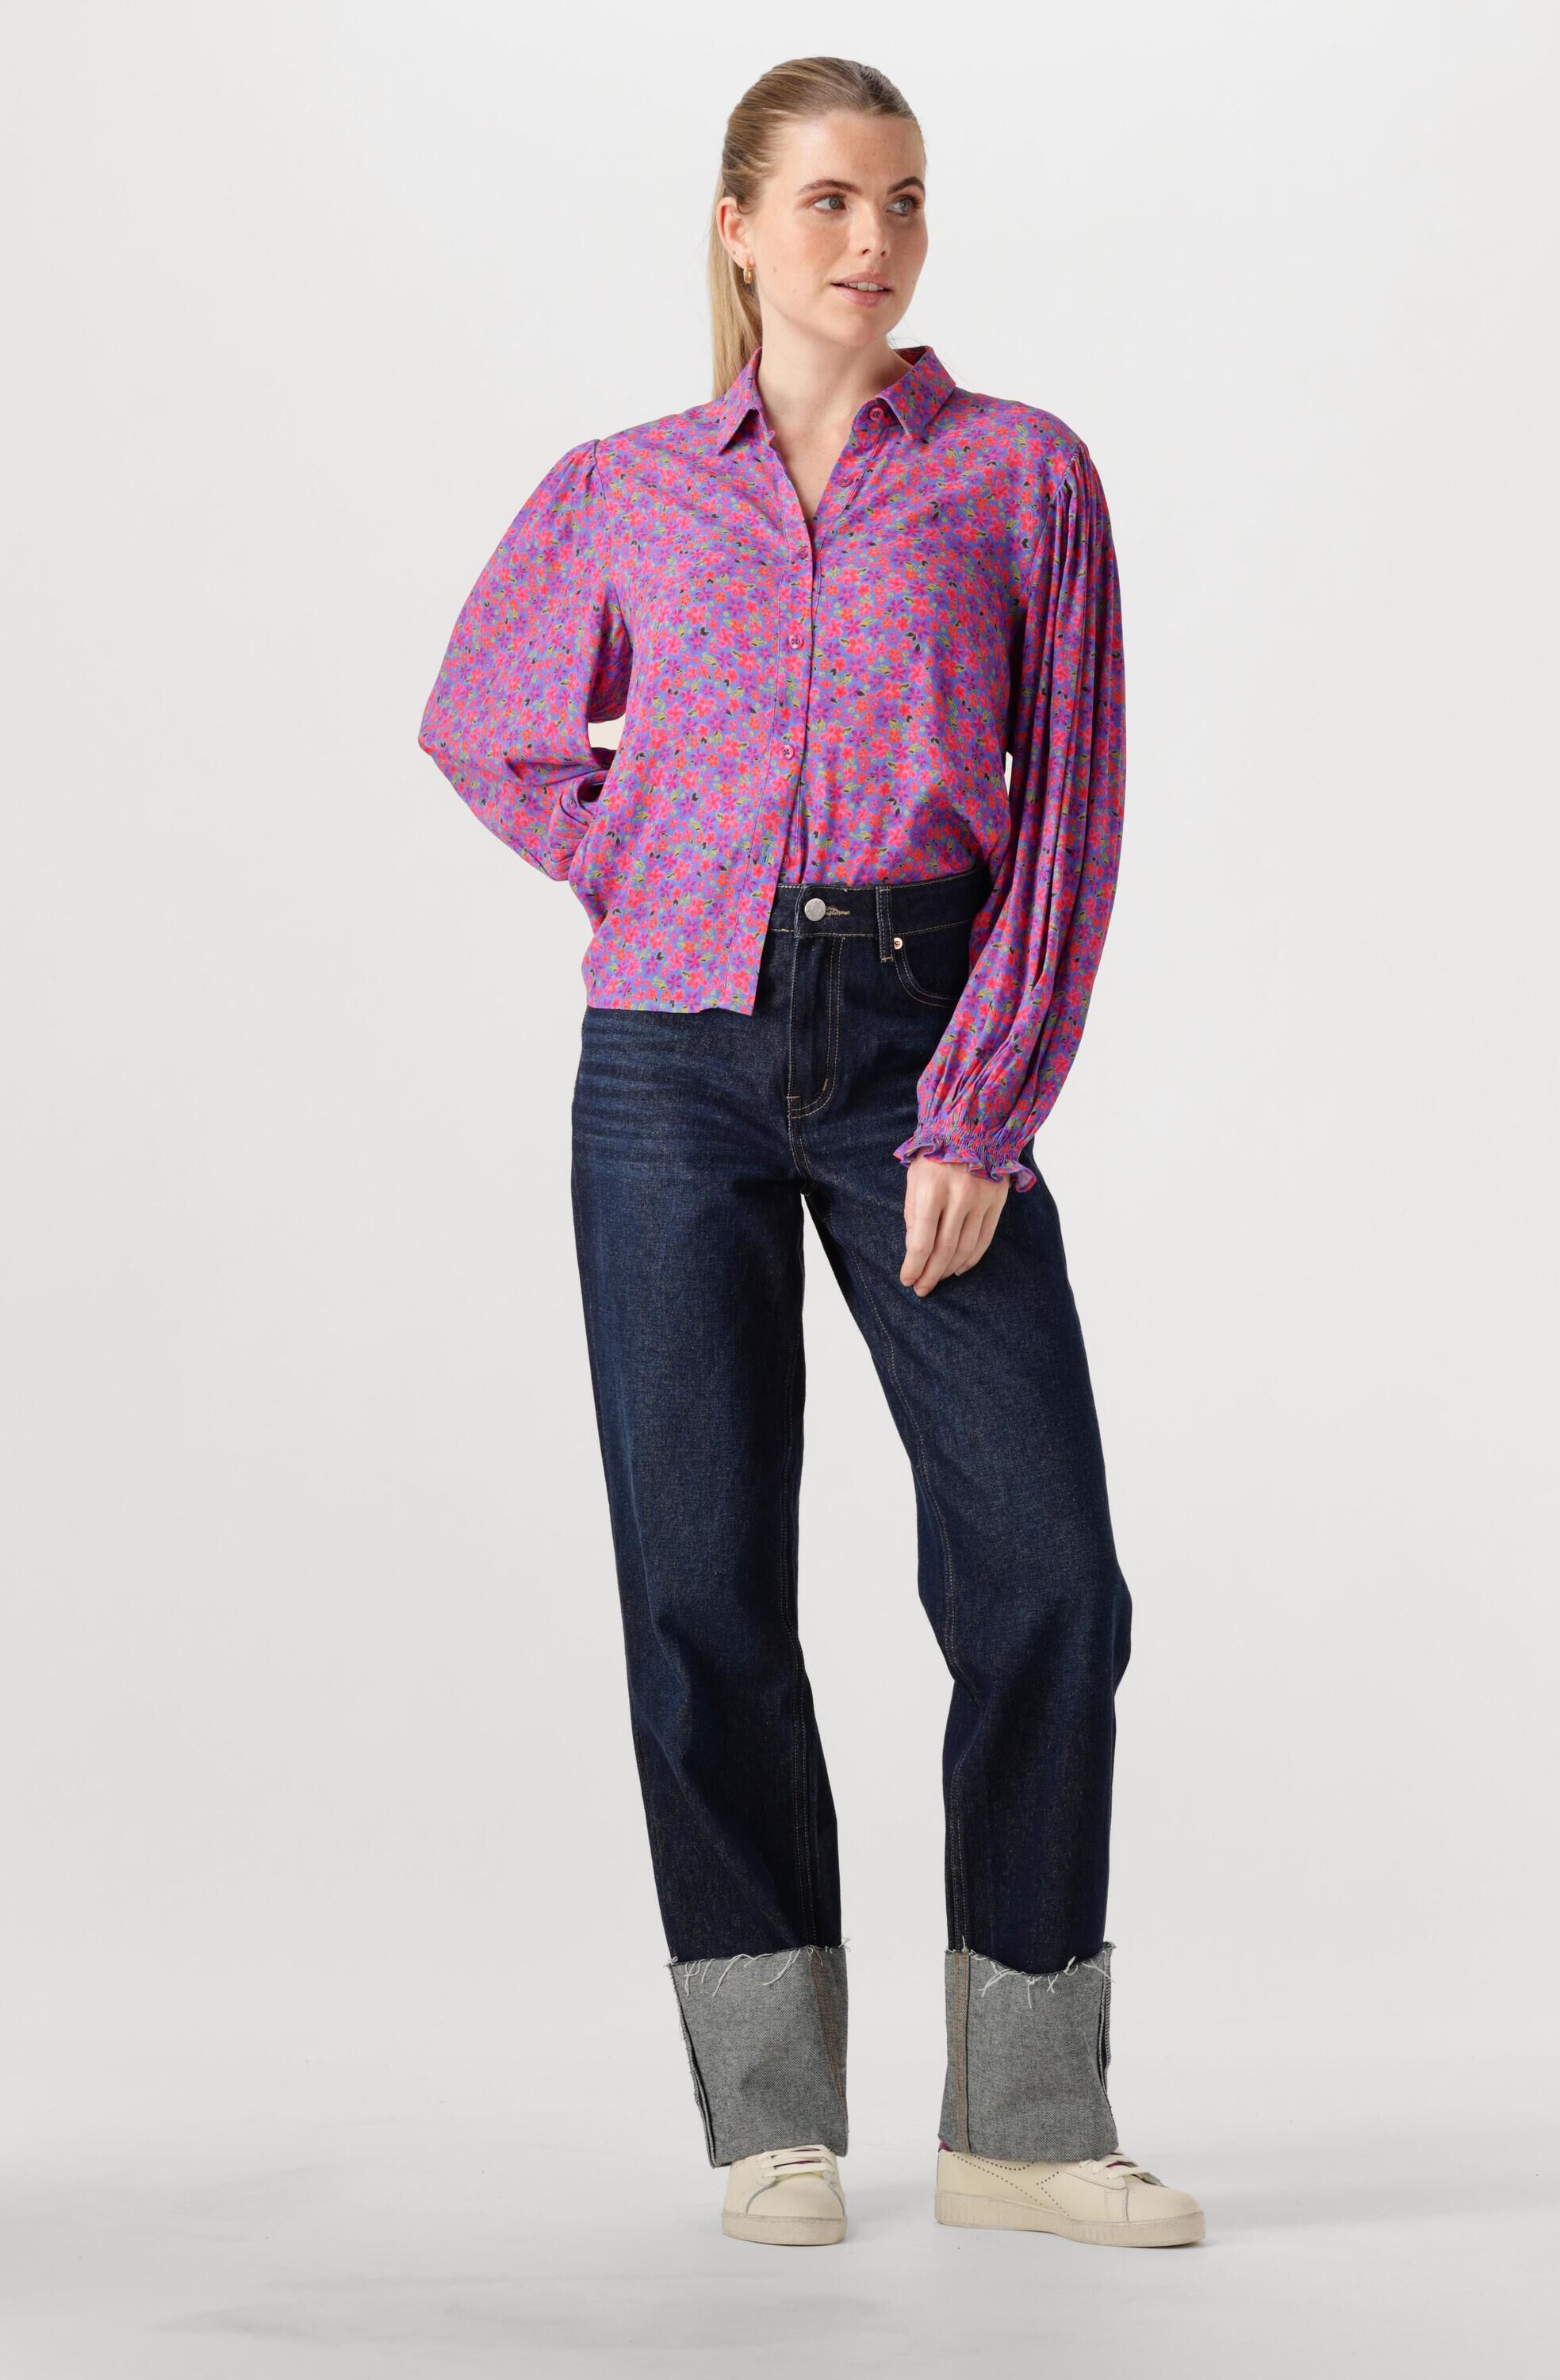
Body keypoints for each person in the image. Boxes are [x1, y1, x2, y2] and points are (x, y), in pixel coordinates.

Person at [416, 53, 1204, 2251]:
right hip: (668, 1066)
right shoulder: (623, 488)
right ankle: (769, 2117)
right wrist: (648, 862)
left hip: (920, 1043)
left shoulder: (1021, 476)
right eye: (833, 200)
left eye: (905, 199)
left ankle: (1022, 2126)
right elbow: (484, 717)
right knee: (699, 1582)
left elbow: (1071, 809)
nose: (874, 239)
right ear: (741, 227)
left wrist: (982, 1101)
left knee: (1046, 1581)